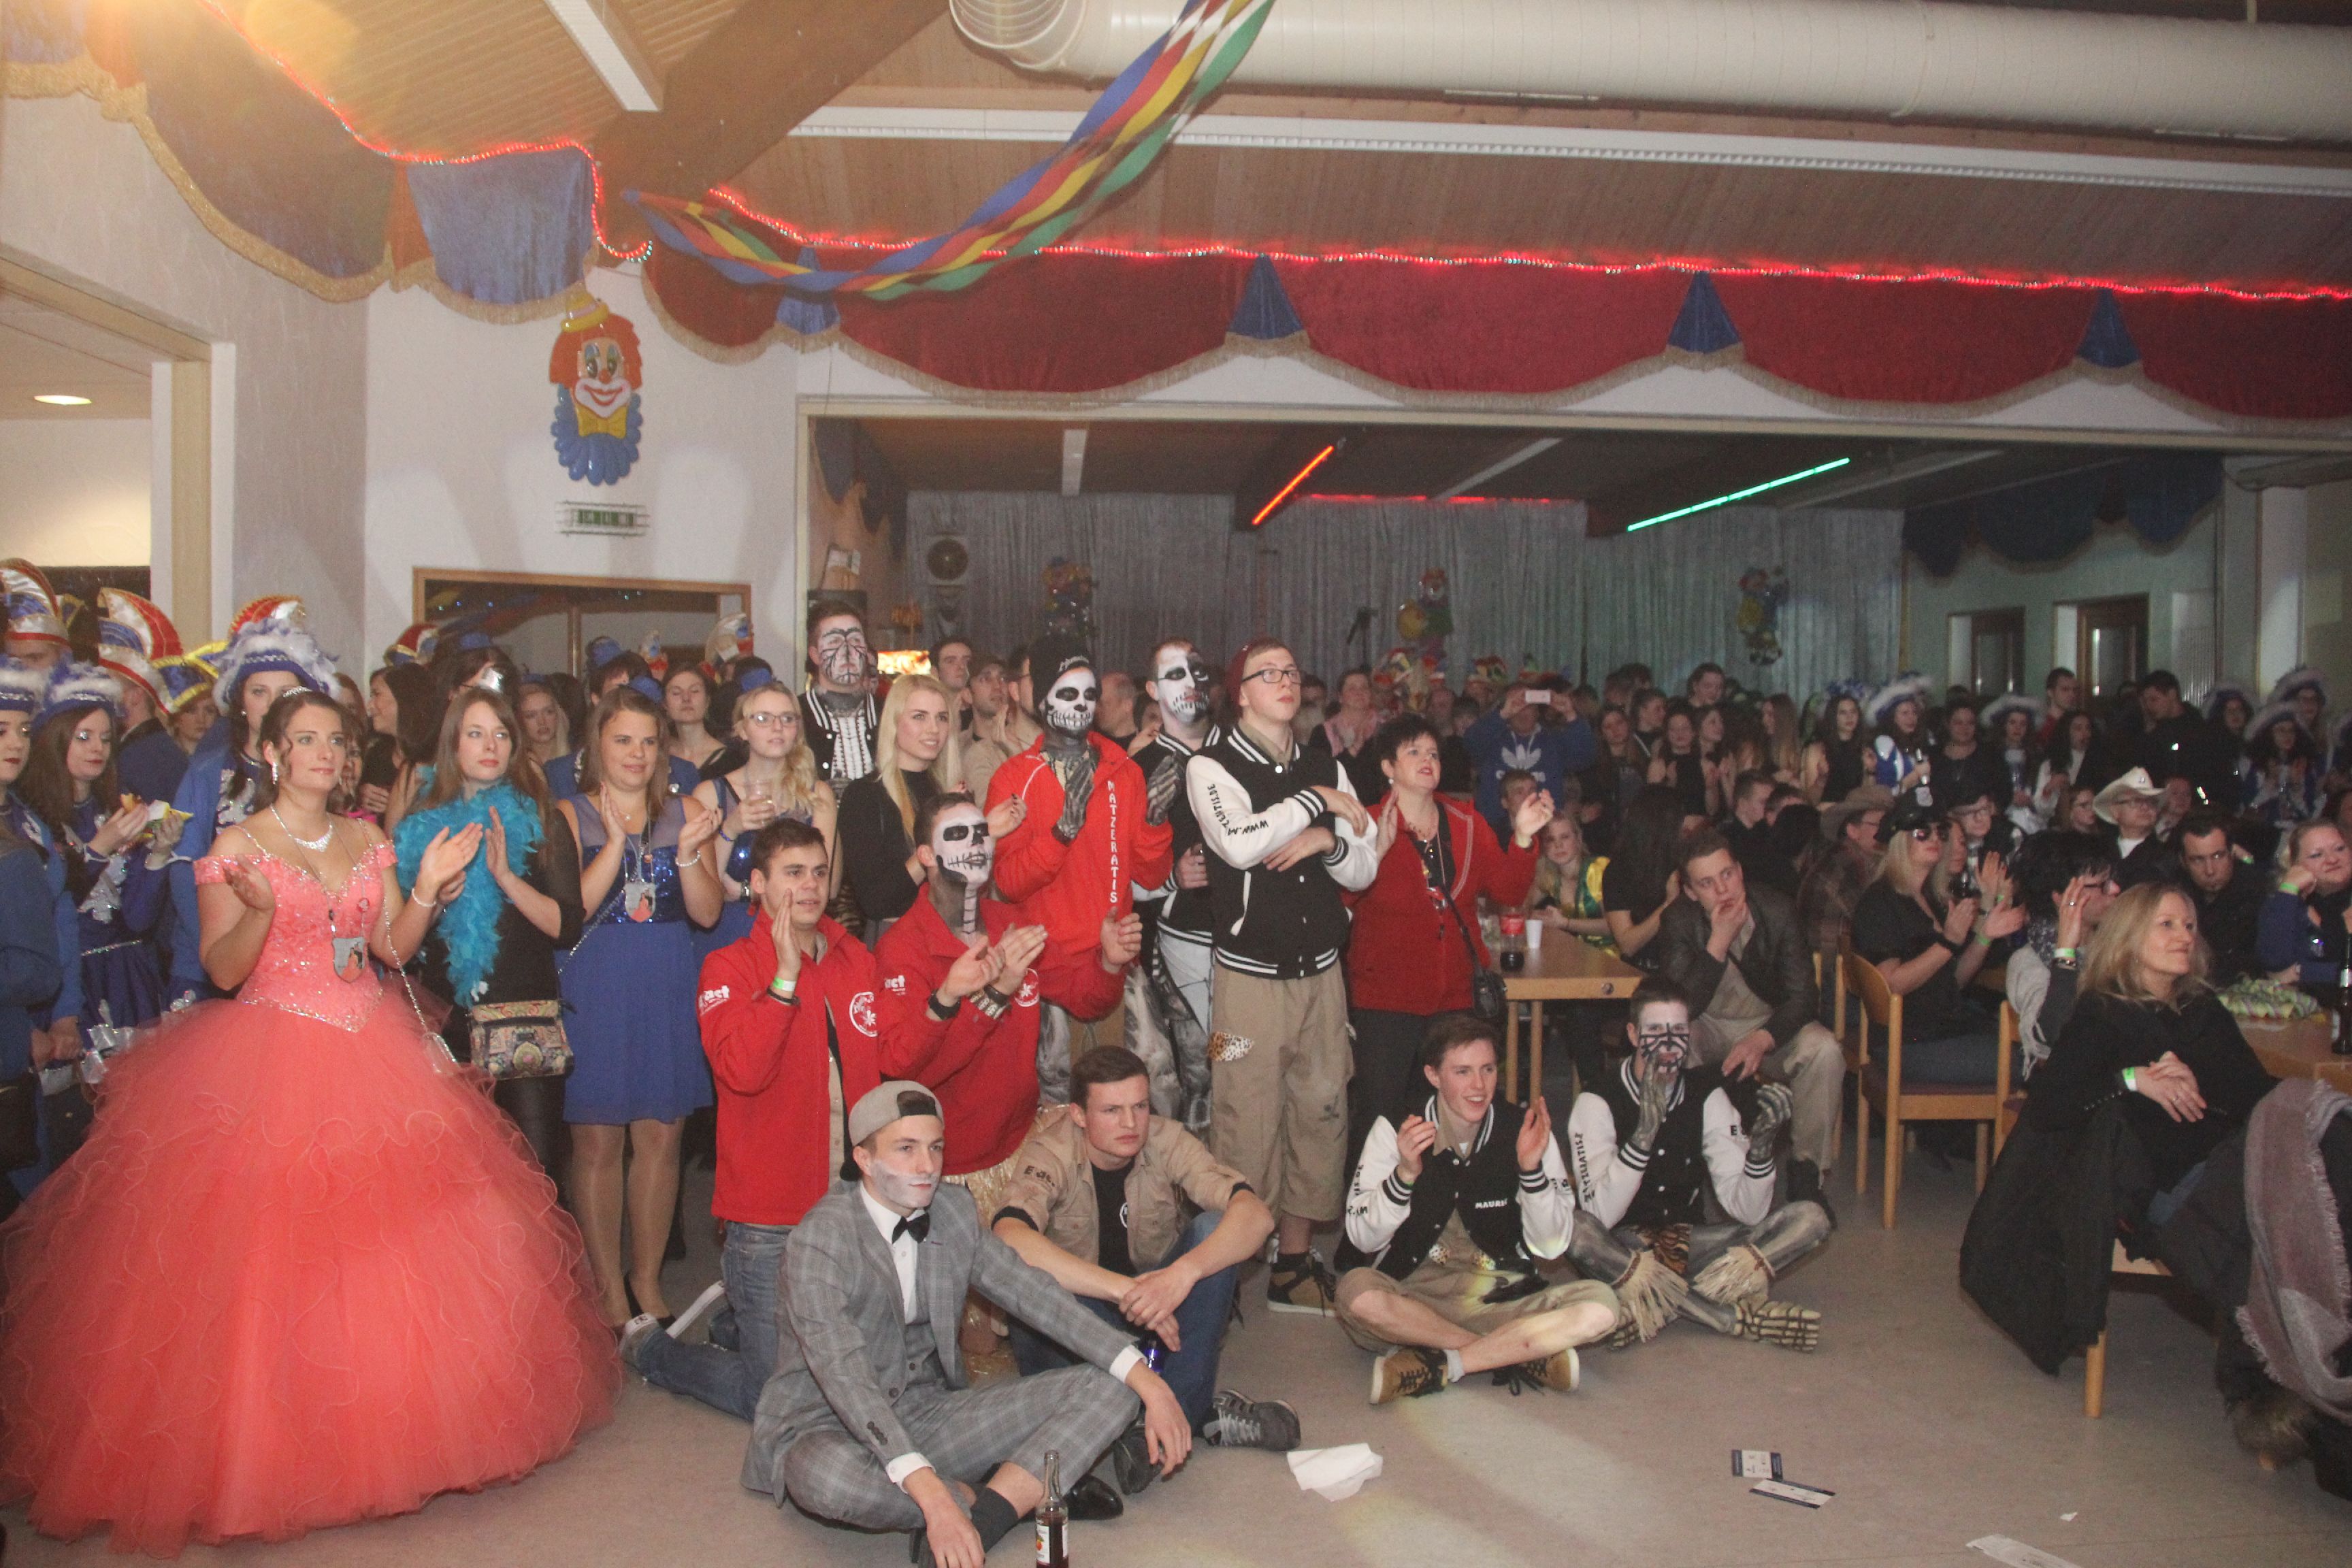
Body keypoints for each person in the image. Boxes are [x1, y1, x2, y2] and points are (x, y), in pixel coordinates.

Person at [0, 685, 616, 1554]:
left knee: (400, 1250)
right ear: (272, 752)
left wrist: (427, 890)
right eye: (308, 740)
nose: (326, 754)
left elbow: (393, 949)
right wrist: (259, 908)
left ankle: (402, 1426)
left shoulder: (367, 839)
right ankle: (273, 1449)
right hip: (273, 1055)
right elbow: (222, 970)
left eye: (337, 741)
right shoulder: (235, 847)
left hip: (374, 1045)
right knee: (272, 1259)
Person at [746, 1082, 1192, 1562]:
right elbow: (844, 1377)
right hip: (829, 1424)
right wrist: (935, 1497)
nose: (927, 1165)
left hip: (927, 1412)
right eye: (906, 1149)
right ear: (864, 1159)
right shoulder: (820, 1240)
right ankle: (995, 1496)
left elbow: (1033, 1294)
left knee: (1117, 1383)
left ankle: (989, 1517)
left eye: (936, 1147)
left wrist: (1149, 1382)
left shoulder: (953, 1211)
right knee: (826, 1481)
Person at [629, 818, 881, 1418]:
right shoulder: (728, 967)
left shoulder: (854, 958)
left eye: (819, 872)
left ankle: (737, 1323)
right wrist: (784, 980)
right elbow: (741, 1072)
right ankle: (656, 1352)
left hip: (850, 1209)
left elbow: (900, 1055)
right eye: (793, 874)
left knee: (863, 1373)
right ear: (760, 884)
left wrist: (956, 1000)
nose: (811, 886)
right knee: (773, 1400)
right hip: (768, 1221)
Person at [1187, 637, 1379, 1314]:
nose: (1286, 681)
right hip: (1244, 987)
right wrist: (1314, 801)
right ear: (1241, 693)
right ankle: (1227, 1271)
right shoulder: (1210, 766)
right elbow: (1239, 843)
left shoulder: (1327, 762)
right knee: (1242, 1116)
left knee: (1320, 1110)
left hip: (1322, 977)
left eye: (1292, 671)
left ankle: (1293, 1264)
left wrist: (1328, 839)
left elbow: (1365, 864)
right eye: (1268, 674)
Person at [992, 1045, 1299, 1454]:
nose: (1130, 1123)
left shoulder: (1165, 1138)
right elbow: (1008, 1236)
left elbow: (1256, 1215)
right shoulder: (1050, 1153)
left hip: (1159, 1309)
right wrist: (1122, 1290)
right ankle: (1169, 1415)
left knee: (1215, 1229)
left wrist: (1181, 1275)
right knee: (1027, 1278)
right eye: (1111, 1111)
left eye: (1139, 1106)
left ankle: (1163, 1418)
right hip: (1087, 1315)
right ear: (1079, 1115)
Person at [1338, 1015, 1618, 1404]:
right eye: (1463, 1072)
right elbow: (1362, 1238)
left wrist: (1531, 1172)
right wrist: (1403, 1176)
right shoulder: (1395, 1129)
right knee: (1355, 1293)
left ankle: (1447, 1363)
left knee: (1602, 1307)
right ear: (1433, 1075)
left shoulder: (1523, 1130)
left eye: (1488, 1070)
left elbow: (1552, 1247)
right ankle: (1515, 1354)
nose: (1478, 1086)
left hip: (1502, 1297)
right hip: (1415, 1299)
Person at [555, 685, 723, 1328]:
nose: (637, 753)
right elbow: (568, 913)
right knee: (597, 1140)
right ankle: (606, 1286)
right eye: (623, 739)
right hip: (595, 984)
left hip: (665, 980)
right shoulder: (569, 815)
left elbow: (707, 913)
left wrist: (688, 854)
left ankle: (647, 1279)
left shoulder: (687, 811)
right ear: (596, 745)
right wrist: (613, 840)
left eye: (649, 742)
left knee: (662, 1133)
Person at [877, 793, 1132, 1205]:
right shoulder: (902, 949)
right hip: (951, 1172)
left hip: (1021, 1145)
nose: (975, 844)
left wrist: (1110, 963)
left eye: (982, 833)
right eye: (958, 835)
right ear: (926, 855)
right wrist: (994, 995)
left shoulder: (1010, 922)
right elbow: (906, 1074)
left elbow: (1088, 1000)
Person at [1565, 980, 1827, 1350]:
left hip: (1689, 1243)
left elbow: (1748, 1212)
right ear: (1633, 1035)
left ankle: (1654, 1305)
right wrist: (1642, 1139)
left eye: (1678, 1030)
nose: (1668, 1043)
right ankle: (1725, 1315)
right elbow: (1599, 1215)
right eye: (1655, 1031)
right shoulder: (1597, 1102)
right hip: (1622, 1254)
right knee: (1575, 1229)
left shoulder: (1707, 1096)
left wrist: (1760, 1151)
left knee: (1811, 1219)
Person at [393, 685, 583, 1184]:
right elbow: (400, 942)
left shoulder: (542, 818)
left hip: (524, 1025)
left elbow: (566, 926)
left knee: (535, 1176)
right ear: (453, 743)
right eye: (475, 734)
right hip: (448, 1022)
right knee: (459, 1182)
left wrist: (507, 879)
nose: (490, 745)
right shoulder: (422, 827)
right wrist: (436, 897)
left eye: (501, 734)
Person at [1345, 714, 1548, 1163]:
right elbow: (1342, 897)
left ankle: (1448, 1201)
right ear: (1388, 767)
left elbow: (1508, 892)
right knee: (1380, 1117)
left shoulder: (1466, 822)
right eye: (1414, 752)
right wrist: (1373, 851)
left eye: (1433, 753)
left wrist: (1523, 837)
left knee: (1450, 1116)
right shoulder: (1367, 824)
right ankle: (1369, 1204)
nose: (1427, 760)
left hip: (1455, 998)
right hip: (1386, 1000)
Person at [985, 638, 1171, 1084]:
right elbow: (1008, 883)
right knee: (1051, 1103)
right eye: (1067, 693)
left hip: (1114, 964)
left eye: (1090, 694)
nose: (1081, 705)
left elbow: (1151, 875)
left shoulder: (1123, 770)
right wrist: (1061, 835)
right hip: (1043, 970)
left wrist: (1155, 822)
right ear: (1042, 699)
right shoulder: (1014, 777)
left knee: (1132, 1097)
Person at [18, 666, 177, 1164]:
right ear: (54, 740)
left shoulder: (117, 809)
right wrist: (95, 851)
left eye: (107, 737)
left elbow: (139, 920)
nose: (98, 748)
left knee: (138, 1131)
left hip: (132, 980)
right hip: (73, 987)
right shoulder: (33, 821)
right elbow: (48, 913)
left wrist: (157, 856)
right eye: (83, 736)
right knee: (78, 1137)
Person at [1654, 830, 1846, 1205]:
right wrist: (1718, 943)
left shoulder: (1777, 909)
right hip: (1707, 1026)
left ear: (1740, 872)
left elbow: (1804, 996)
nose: (1722, 890)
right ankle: (1682, 1169)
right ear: (1690, 892)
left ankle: (1807, 1175)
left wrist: (1763, 1039)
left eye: (1727, 874)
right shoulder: (1678, 920)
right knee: (1671, 1040)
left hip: (1769, 1025)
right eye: (1707, 883)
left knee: (1825, 1050)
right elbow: (1680, 1008)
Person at [164, 598, 338, 1002]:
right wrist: (220, 949)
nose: (273, 704)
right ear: (240, 700)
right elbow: (184, 870)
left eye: (286, 692)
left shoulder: (318, 770)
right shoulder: (207, 773)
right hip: (213, 963)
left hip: (296, 966)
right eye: (259, 692)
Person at [1849, 797, 2021, 1084]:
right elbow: (1891, 985)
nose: (1934, 840)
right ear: (1899, 841)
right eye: (1922, 833)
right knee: (2025, 1064)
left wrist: (1984, 936)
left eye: (1940, 833)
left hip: (1943, 1029)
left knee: (2027, 1050)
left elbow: (1954, 980)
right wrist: (1947, 943)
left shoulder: (1931, 898)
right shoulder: (1880, 902)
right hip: (1908, 1042)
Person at [1131, 639, 1219, 1130]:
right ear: (1153, 690)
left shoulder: (1242, 753)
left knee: (1247, 1067)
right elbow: (1116, 875)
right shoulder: (1136, 771)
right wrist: (1172, 879)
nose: (1189, 683)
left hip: (1253, 946)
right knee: (1201, 1073)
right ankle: (1198, 1173)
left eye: (1196, 671)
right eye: (1174, 674)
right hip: (1184, 945)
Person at [693, 679, 838, 955]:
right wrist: (730, 829)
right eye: (763, 719)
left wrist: (746, 892)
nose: (777, 727)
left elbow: (823, 885)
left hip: (794, 931)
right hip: (731, 936)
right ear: (742, 730)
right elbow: (702, 887)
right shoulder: (711, 794)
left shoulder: (817, 795)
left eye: (787, 719)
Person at [836, 673, 962, 941]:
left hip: (951, 936)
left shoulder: (950, 792)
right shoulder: (865, 796)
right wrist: (938, 837)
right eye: (919, 717)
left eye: (942, 718)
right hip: (897, 942)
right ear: (894, 723)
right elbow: (877, 902)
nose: (933, 729)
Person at [2002, 832, 2119, 1079]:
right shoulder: (2029, 961)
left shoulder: (2116, 945)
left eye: (2112, 880)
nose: (2115, 889)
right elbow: (2052, 1037)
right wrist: (2066, 950)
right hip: (2072, 1083)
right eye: (2101, 885)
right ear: (2063, 898)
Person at [1463, 682, 1596, 845]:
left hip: (1545, 831)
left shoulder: (1553, 740)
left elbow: (1585, 758)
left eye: (1529, 705)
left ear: (1537, 711)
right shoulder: (1492, 738)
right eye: (1517, 704)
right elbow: (1469, 744)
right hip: (1494, 832)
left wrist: (1570, 714)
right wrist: (1502, 714)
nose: (1522, 711)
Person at [1795, 784, 1891, 958]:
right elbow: (1882, 930)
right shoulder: (1849, 866)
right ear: (1853, 830)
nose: (1889, 833)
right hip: (1836, 969)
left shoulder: (1842, 857)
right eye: (1881, 825)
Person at [2258, 818, 2352, 995]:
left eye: (2340, 849)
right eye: (2317, 855)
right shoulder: (2285, 906)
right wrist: (2288, 890)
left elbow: (2285, 975)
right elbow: (2275, 963)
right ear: (2295, 866)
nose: (2333, 859)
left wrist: (2302, 971)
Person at [1601, 783, 1689, 968]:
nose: (1685, 827)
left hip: (1685, 965)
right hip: (1643, 969)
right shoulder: (1619, 871)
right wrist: (1669, 904)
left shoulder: (1684, 861)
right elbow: (1628, 944)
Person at [2177, 810, 2266, 985]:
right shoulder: (2175, 894)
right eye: (2198, 860)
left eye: (2218, 856)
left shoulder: (2259, 892)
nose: (2210, 870)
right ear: (2183, 862)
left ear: (2232, 853)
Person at [801, 600, 881, 787]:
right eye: (834, 641)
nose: (847, 651)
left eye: (855, 640)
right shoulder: (795, 715)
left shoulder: (889, 713)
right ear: (815, 655)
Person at [2136, 670, 2238, 811]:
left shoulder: (2203, 732)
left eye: (2154, 700)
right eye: (2145, 702)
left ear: (2172, 694)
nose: (2149, 707)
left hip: (2200, 809)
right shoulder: (2154, 735)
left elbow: (2219, 777)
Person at [960, 649, 1038, 802]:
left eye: (1003, 678)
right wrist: (1015, 757)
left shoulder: (1039, 739)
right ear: (968, 694)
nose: (997, 686)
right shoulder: (974, 752)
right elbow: (991, 810)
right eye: (985, 679)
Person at [1307, 668, 1386, 804]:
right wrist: (1354, 748)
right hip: (1338, 807)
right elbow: (1320, 776)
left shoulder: (1385, 729)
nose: (1359, 693)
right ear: (1340, 697)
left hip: (1379, 806)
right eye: (1352, 688)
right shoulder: (1323, 732)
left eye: (1364, 688)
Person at [2244, 702, 2325, 832]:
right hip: (2263, 833)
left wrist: (2296, 786)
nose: (2287, 736)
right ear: (2269, 734)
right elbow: (2249, 809)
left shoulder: (2303, 767)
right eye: (2281, 730)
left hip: (2296, 832)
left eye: (2291, 731)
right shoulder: (2256, 768)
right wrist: (2270, 784)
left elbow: (2309, 813)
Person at [2093, 766, 2172, 888]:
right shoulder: (2099, 852)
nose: (2145, 807)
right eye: (2136, 801)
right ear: (2115, 811)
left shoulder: (2166, 857)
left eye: (2151, 802)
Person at [1720, 769, 1796, 896]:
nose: (1770, 808)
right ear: (1743, 805)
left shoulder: (1770, 832)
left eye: (1772, 802)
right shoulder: (1727, 842)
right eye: (1764, 802)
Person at [1929, 696, 2006, 815]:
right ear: (1948, 724)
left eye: (1970, 723)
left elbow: (2004, 793)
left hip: (1980, 819)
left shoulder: (1991, 756)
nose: (1964, 728)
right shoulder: (1933, 756)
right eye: (1958, 723)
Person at [1981, 693, 2045, 833]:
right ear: (2003, 724)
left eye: (2023, 724)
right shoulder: (1990, 755)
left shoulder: (2036, 755)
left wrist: (2032, 800)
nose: (2018, 728)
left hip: (2031, 817)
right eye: (2012, 723)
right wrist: (2008, 798)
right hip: (2001, 816)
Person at [1867, 676, 1934, 802]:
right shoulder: (1885, 744)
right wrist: (1914, 777)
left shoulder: (1924, 741)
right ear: (1892, 717)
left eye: (1914, 713)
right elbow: (1884, 793)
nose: (1911, 718)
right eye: (1905, 713)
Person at [1799, 690, 1869, 806]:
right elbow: (1811, 800)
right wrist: (1822, 778)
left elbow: (1867, 795)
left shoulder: (1864, 748)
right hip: (1827, 810)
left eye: (1853, 712)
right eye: (1843, 713)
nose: (1850, 717)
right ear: (1833, 717)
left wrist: (1871, 771)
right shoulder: (1818, 749)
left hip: (1855, 809)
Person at [664, 664, 728, 774]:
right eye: (676, 693)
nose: (686, 698)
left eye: (695, 691)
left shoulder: (730, 761)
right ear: (665, 704)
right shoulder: (658, 756)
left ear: (707, 701)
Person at [517, 675, 571, 766]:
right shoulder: (513, 765)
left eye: (549, 712)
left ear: (558, 714)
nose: (542, 722)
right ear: (520, 721)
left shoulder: (578, 761)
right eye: (531, 716)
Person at [931, 636, 975, 726]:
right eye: (951, 661)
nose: (961, 667)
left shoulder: (985, 711)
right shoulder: (929, 712)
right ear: (935, 672)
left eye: (967, 661)